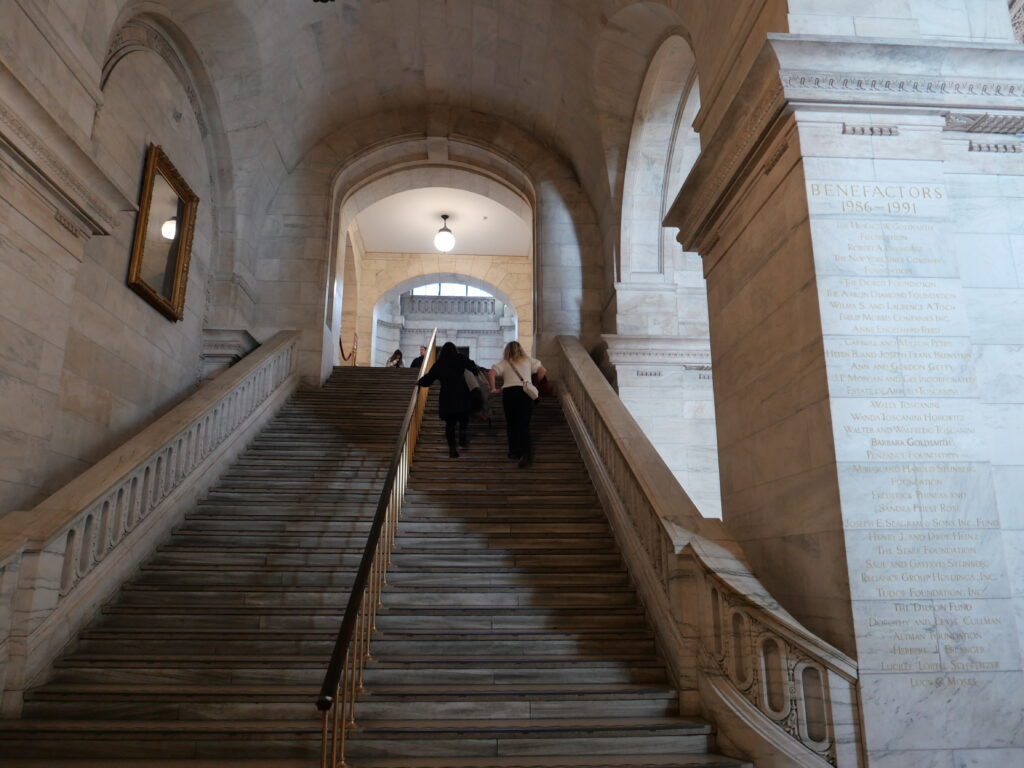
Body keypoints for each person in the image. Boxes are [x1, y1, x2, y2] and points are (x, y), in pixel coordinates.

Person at [488, 341, 547, 468]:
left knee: (511, 423)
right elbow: (542, 371)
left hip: (509, 394)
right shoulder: (529, 361)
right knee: (524, 424)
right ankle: (525, 453)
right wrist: (534, 384)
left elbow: (491, 372)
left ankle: (514, 452)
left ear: (507, 350)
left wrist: (494, 388)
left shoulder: (505, 362)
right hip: (525, 394)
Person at [417, 342, 480, 458]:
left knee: (450, 424)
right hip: (462, 393)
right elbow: (473, 368)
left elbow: (429, 378)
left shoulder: (440, 363)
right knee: (463, 418)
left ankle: (452, 449)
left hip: (447, 395)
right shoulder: (461, 358)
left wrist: (419, 382)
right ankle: (462, 437)